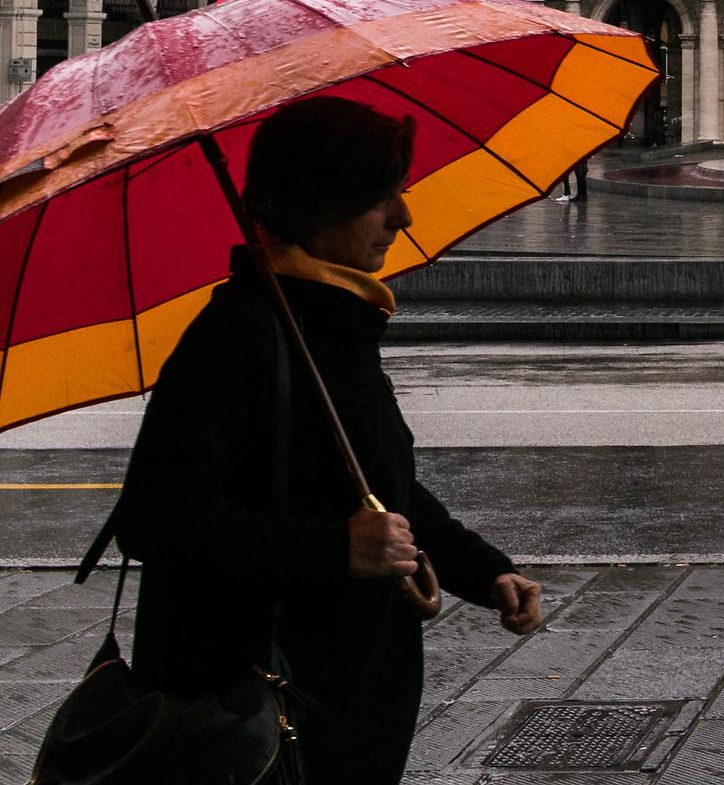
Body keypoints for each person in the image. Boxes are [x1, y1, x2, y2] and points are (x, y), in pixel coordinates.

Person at [115, 98, 543, 785]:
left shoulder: (330, 325)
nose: (402, 217)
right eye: (382, 198)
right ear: (321, 203)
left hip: (342, 710)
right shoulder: (240, 338)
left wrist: (484, 572)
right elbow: (155, 516)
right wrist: (333, 550)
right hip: (262, 717)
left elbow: (377, 488)